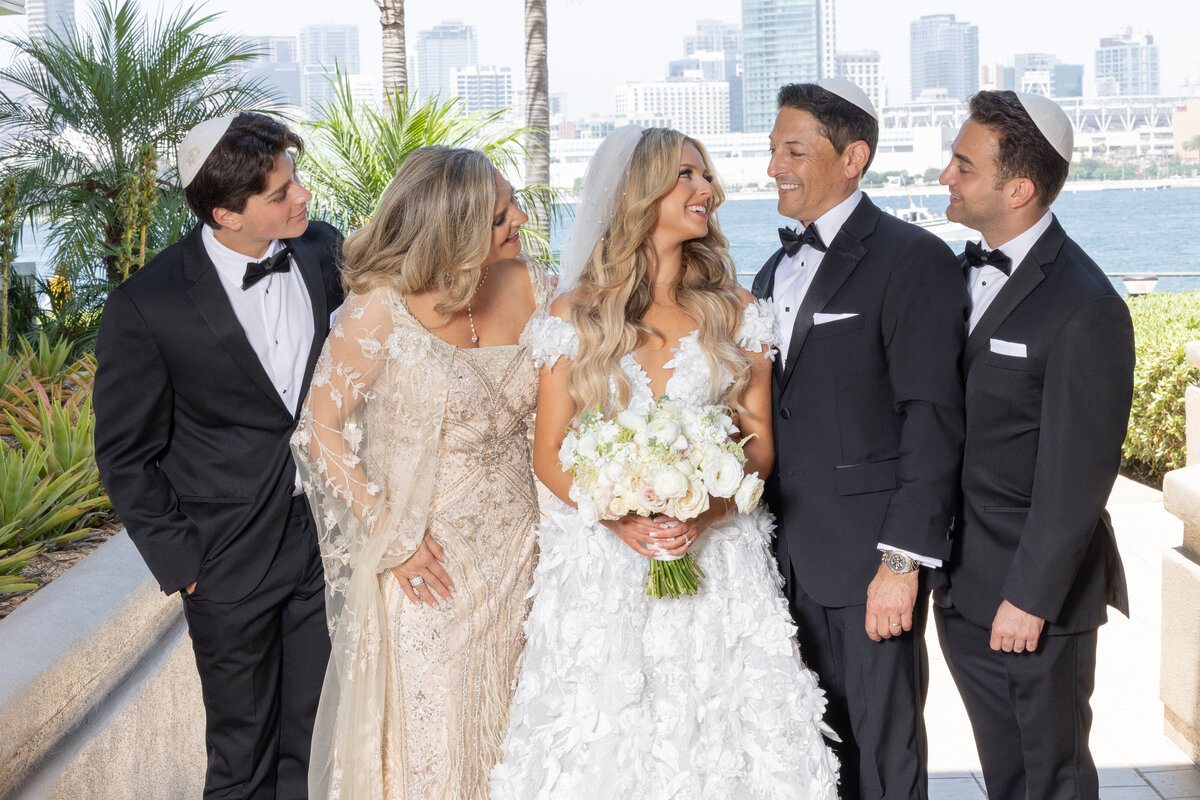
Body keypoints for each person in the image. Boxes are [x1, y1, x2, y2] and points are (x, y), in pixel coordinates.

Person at [492, 126, 839, 799]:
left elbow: (759, 442)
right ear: (638, 194)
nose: (706, 190)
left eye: (705, 177)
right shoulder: (575, 314)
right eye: (686, 175)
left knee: (722, 731)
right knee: (605, 738)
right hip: (603, 567)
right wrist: (619, 518)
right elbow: (550, 451)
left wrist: (705, 512)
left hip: (718, 557)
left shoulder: (738, 313)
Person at [94, 112, 344, 798]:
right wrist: (189, 567)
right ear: (223, 213)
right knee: (240, 758)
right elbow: (123, 454)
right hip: (226, 560)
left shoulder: (323, 251)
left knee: (315, 738)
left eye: (296, 181)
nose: (303, 199)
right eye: (280, 194)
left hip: (321, 540)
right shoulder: (147, 306)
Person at [290, 146, 548, 800]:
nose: (519, 216)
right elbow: (318, 427)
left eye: (512, 200)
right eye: (498, 216)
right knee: (438, 753)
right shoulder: (380, 309)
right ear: (451, 230)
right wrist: (394, 538)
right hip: (429, 570)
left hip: (530, 559)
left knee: (527, 737)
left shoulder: (534, 286)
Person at [750, 79, 968, 800]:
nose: (774, 165)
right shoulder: (771, 271)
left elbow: (932, 420)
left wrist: (902, 562)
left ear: (853, 158)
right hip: (781, 565)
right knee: (812, 757)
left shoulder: (913, 260)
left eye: (793, 150)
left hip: (871, 563)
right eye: (773, 149)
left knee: (886, 757)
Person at [934, 90, 1134, 800]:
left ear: (1018, 188)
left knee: (1048, 782)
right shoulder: (954, 276)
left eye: (963, 165)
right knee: (1008, 778)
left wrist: (1030, 597)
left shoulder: (1087, 305)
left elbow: (1078, 474)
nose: (945, 177)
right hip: (963, 590)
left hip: (1030, 605)